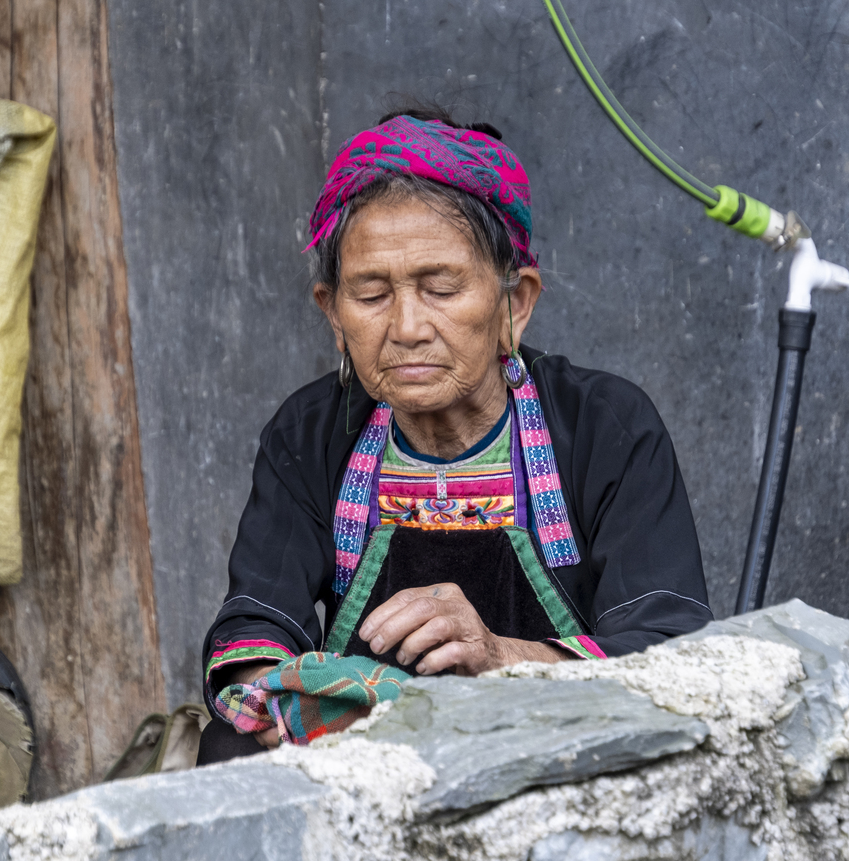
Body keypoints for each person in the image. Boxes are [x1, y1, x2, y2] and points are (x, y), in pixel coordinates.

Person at [198, 106, 712, 763]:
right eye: (372, 293)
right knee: (227, 744)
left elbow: (672, 651)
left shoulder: (605, 427)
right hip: (366, 752)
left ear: (515, 302)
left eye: (440, 287)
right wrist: (281, 701)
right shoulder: (310, 435)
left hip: (554, 746)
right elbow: (255, 625)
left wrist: (498, 661)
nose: (408, 325)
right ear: (333, 313)